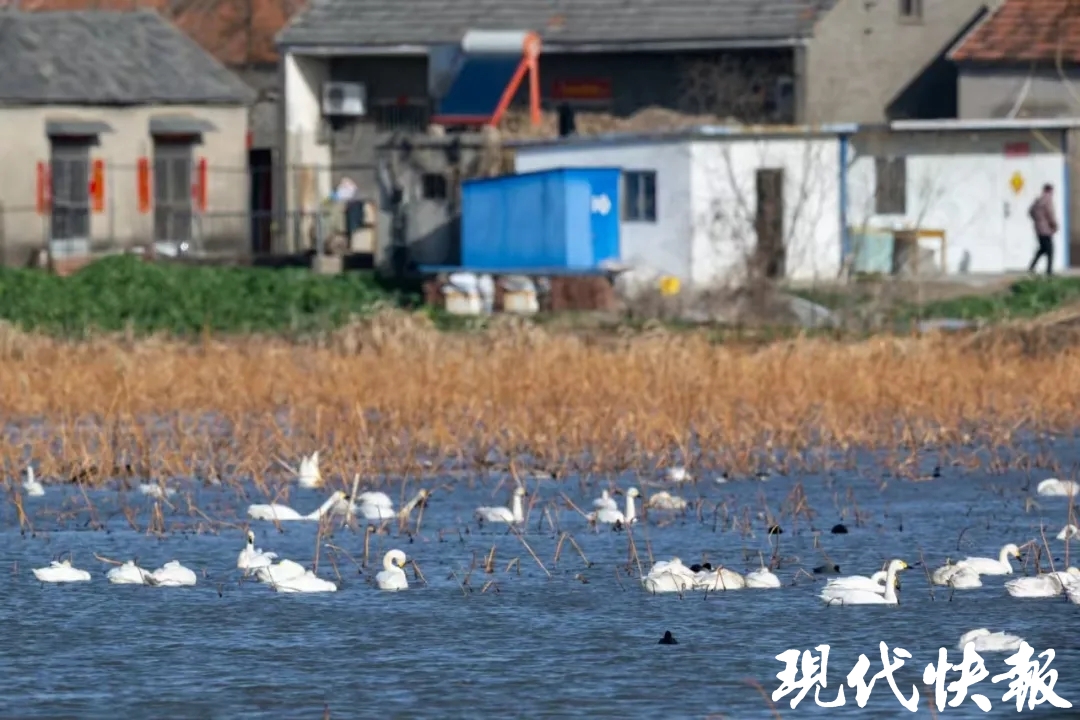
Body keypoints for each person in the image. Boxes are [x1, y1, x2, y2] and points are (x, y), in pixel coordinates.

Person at [1028, 183, 1058, 276]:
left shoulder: (1038, 200)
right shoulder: (1048, 200)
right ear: (1050, 191)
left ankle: (1032, 267)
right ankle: (1049, 271)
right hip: (1046, 229)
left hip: (1038, 228)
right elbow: (1050, 214)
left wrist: (1037, 220)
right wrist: (1054, 225)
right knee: (1050, 250)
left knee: (1043, 248)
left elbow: (1030, 211)